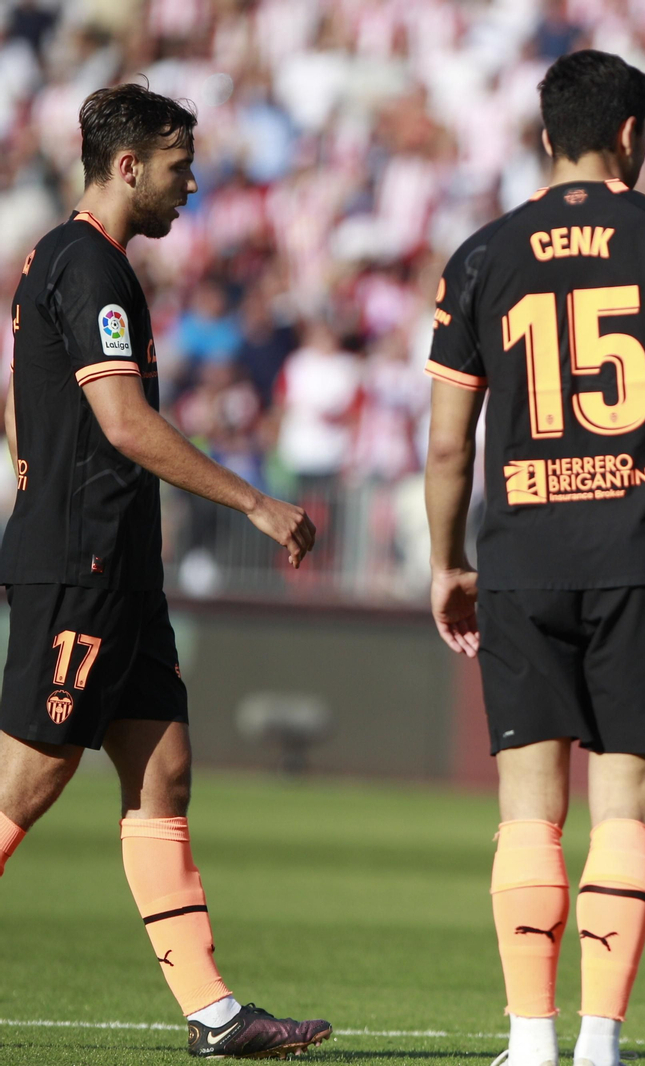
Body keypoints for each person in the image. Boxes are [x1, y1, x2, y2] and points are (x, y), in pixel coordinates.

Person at [424, 50, 645, 1066]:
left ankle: (530, 1038)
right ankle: (599, 1039)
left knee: (527, 812)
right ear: (632, 135)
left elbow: (448, 443)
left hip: (522, 560)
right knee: (625, 809)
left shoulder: (481, 255)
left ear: (547, 138)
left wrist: (447, 560)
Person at [0, 84, 327, 1058]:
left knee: (163, 775)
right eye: (180, 166)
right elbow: (124, 421)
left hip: (117, 568)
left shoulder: (56, 261)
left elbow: (22, 400)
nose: (192, 186)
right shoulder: (92, 267)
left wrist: (38, 466)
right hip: (82, 567)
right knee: (24, 785)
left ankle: (216, 1014)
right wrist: (256, 501)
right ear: (129, 163)